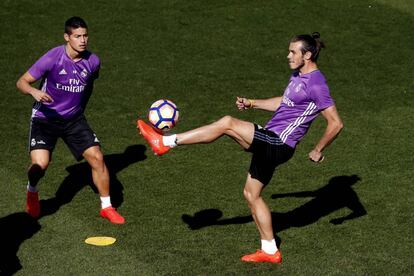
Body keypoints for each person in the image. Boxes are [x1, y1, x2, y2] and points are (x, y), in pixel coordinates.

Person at [137, 32, 343, 263]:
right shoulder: (298, 76)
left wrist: (318, 149)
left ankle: (164, 142)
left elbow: (336, 123)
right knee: (251, 194)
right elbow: (285, 103)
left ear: (307, 55)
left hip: (279, 143)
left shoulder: (316, 83)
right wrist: (253, 102)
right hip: (272, 140)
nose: (287, 56)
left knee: (227, 123)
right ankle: (269, 250)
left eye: (293, 52)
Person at [16, 16, 125, 224]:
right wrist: (33, 92)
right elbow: (21, 82)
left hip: (73, 120)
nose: (83, 40)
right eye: (77, 36)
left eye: (85, 35)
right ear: (67, 37)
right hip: (45, 118)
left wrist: (79, 109)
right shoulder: (53, 57)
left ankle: (107, 207)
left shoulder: (93, 61)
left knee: (97, 157)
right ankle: (32, 191)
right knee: (40, 165)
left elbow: (89, 85)